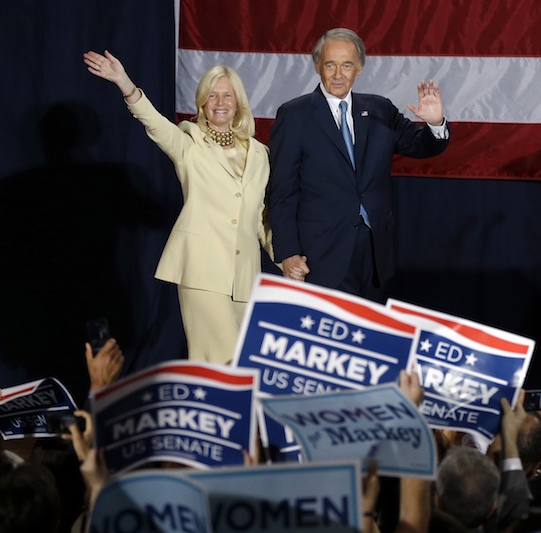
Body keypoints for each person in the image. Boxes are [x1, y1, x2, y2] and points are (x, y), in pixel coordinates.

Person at [83, 50, 272, 363]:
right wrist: (125, 84)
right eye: (213, 95)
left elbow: (260, 217)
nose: (221, 102)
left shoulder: (259, 153)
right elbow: (155, 124)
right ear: (202, 103)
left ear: (238, 101)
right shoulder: (190, 143)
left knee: (242, 361)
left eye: (227, 95)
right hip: (201, 271)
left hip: (244, 276)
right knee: (219, 358)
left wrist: (287, 259)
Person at [268, 27, 450, 301]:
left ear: (360, 68)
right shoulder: (295, 115)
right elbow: (281, 192)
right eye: (330, 64)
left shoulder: (379, 110)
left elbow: (420, 146)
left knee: (370, 337)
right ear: (318, 66)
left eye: (347, 65)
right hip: (320, 254)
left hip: (376, 253)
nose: (338, 74)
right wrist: (287, 253)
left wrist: (435, 124)